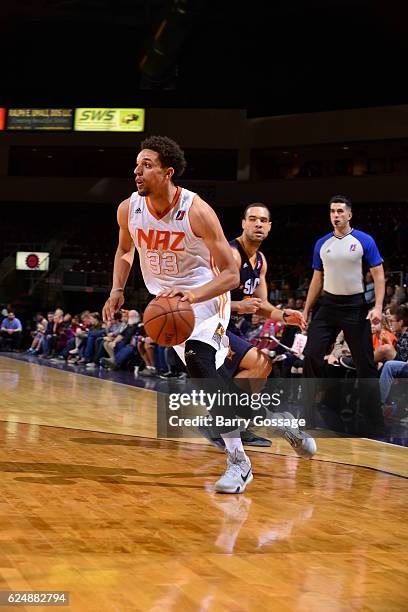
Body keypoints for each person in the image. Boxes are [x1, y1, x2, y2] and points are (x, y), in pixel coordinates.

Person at [302, 195, 385, 433]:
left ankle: (374, 423)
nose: (335, 215)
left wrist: (377, 307)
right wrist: (306, 310)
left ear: (349, 215)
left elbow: (379, 274)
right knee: (311, 355)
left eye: (340, 211)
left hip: (355, 307)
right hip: (328, 306)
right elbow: (317, 279)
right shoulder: (322, 243)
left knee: (366, 365)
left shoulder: (363, 240)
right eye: (332, 211)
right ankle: (307, 417)